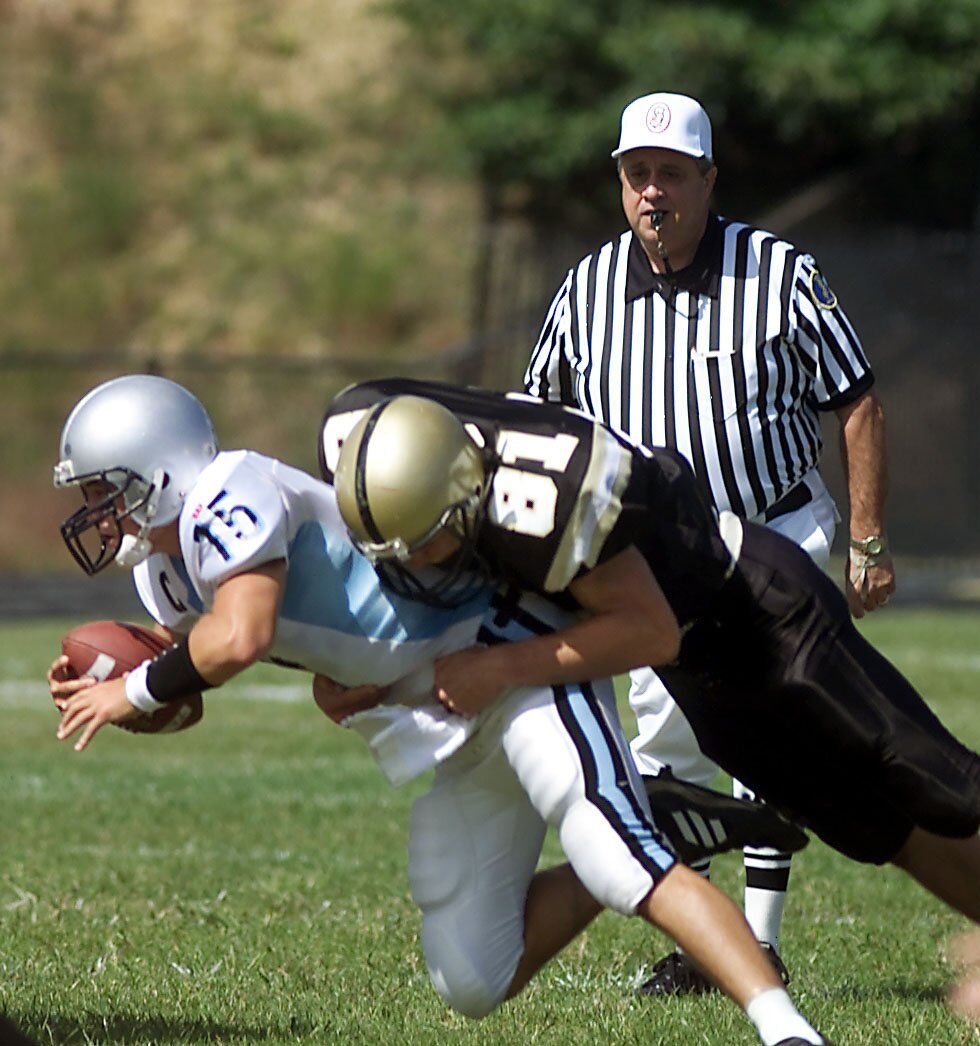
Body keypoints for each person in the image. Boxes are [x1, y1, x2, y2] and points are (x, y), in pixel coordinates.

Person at [49, 374, 831, 1046]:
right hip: (440, 713)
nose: (96, 511)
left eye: (101, 490)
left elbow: (241, 634)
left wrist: (137, 688)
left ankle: (784, 1026)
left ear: (157, 468)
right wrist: (116, 679)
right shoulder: (166, 576)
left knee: (610, 848)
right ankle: (661, 817)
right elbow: (196, 657)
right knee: (473, 976)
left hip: (510, 658)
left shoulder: (229, 491)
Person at [320, 377, 980, 972]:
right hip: (697, 671)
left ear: (469, 493)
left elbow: (648, 628)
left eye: (426, 546)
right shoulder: (366, 441)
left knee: (937, 780)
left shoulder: (552, 500)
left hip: (760, 614)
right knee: (875, 827)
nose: (412, 569)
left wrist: (496, 666)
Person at [523, 90, 897, 992]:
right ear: (621, 183)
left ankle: (754, 943)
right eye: (637, 174)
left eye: (672, 175)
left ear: (708, 180)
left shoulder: (777, 272)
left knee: (772, 728)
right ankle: (704, 936)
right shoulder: (588, 286)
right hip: (659, 554)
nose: (654, 192)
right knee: (667, 746)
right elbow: (542, 418)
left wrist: (869, 539)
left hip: (775, 525)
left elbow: (855, 399)